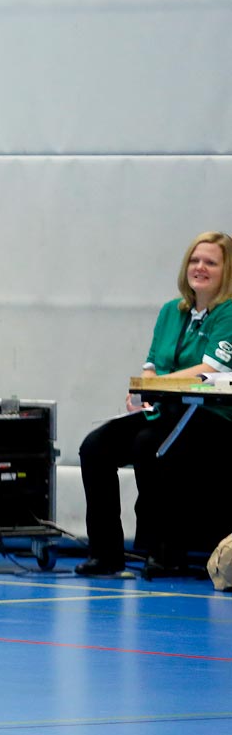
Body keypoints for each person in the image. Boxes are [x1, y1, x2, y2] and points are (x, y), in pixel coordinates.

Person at [76, 231, 232, 578]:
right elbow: (152, 363)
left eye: (210, 262)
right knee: (95, 447)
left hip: (212, 416)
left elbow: (209, 370)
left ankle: (165, 552)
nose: (200, 267)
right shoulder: (169, 313)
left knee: (152, 445)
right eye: (195, 260)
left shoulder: (228, 314)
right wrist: (143, 391)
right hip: (168, 411)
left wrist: (155, 384)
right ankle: (105, 554)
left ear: (226, 271)